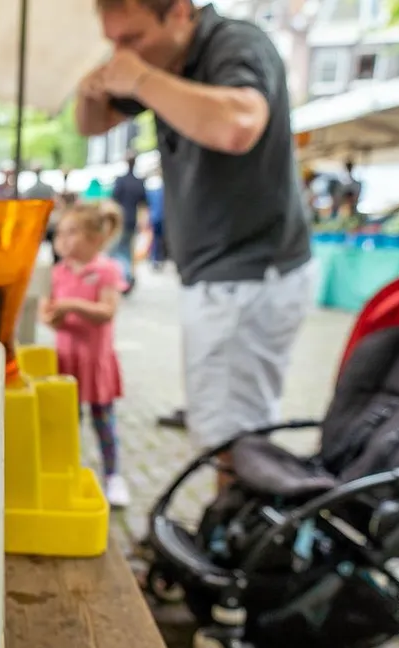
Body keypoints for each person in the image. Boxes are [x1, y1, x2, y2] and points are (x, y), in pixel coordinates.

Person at [76, 0, 313, 477]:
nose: (122, 53)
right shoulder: (165, 59)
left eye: (132, 38)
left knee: (232, 436)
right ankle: (231, 517)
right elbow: (92, 124)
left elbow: (238, 125)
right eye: (114, 42)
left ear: (180, 12)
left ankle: (232, 522)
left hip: (248, 273)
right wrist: (91, 88)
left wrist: (140, 79)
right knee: (221, 427)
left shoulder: (236, 44)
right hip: (220, 275)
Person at [41, 201, 131, 507]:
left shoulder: (106, 270)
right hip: (66, 361)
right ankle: (69, 471)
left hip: (96, 362)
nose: (63, 240)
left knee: (103, 421)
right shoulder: (58, 272)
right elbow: (47, 312)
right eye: (60, 233)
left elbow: (107, 311)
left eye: (72, 232)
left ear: (94, 238)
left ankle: (113, 475)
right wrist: (52, 316)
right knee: (69, 422)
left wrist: (71, 306)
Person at [111, 151, 147, 289]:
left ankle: (124, 276)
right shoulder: (139, 182)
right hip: (133, 220)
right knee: (129, 249)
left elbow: (114, 200)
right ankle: (128, 275)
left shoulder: (120, 181)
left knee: (119, 249)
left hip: (121, 220)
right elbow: (143, 204)